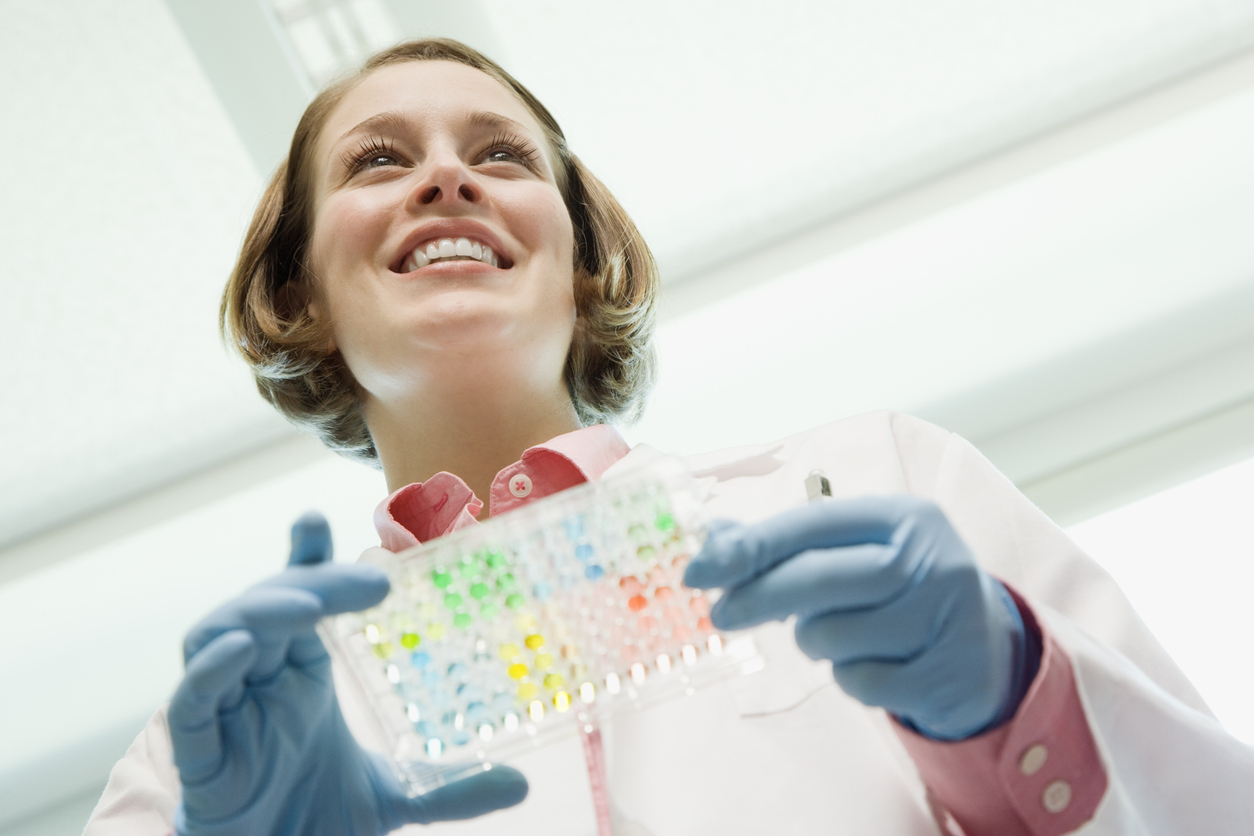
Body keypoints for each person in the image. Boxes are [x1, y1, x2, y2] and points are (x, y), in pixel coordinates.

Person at [85, 38, 1254, 836]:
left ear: (583, 258)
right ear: (297, 290)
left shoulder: (872, 482)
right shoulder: (221, 741)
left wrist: (1016, 704)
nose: (446, 176)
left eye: (500, 155)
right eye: (377, 160)